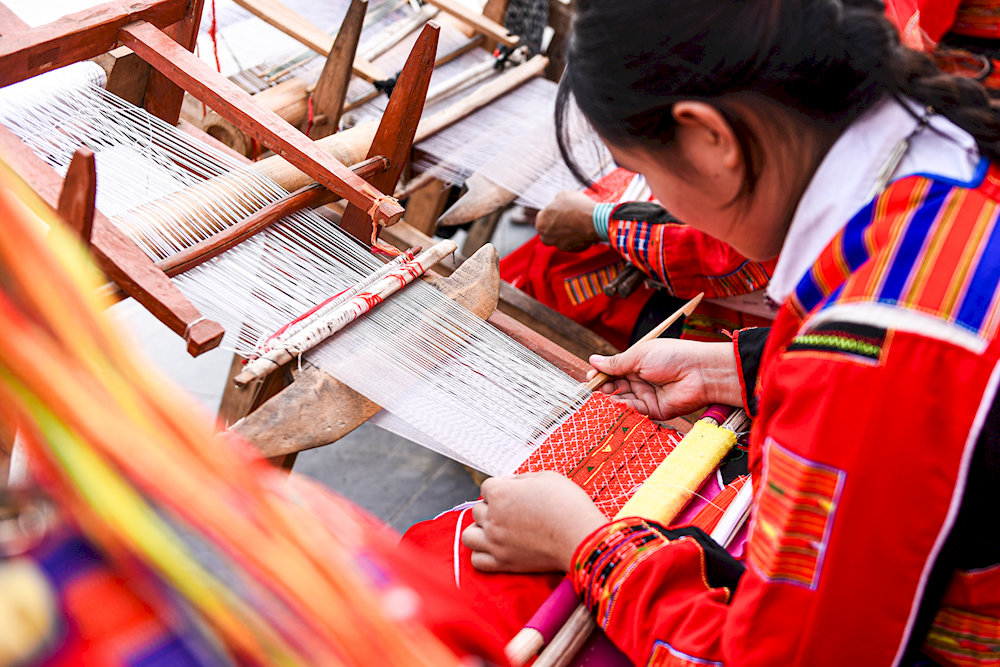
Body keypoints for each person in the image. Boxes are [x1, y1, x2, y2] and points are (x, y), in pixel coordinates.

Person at [459, 0, 1000, 664]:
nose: (656, 197)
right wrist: (738, 369)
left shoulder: (866, 354)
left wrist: (583, 542)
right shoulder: (951, 148)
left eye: (647, 174)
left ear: (710, 138)